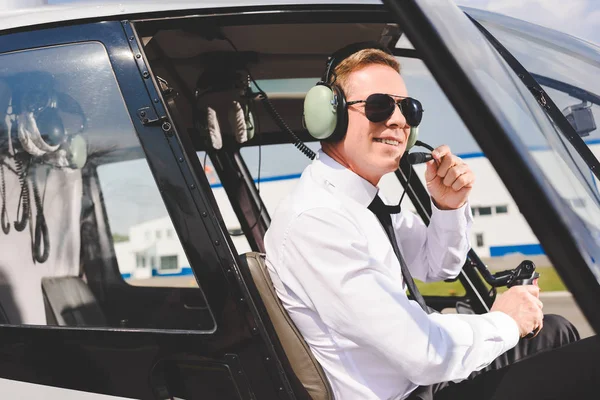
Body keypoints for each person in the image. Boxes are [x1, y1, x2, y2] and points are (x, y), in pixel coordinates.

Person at [264, 42, 585, 400]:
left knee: (556, 333)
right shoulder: (319, 221)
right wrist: (506, 320)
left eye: (408, 109)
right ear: (330, 115)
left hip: (422, 382)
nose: (399, 120)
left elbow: (440, 266)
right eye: (379, 106)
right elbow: (424, 354)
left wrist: (448, 208)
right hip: (409, 392)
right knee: (582, 362)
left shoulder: (362, 204)